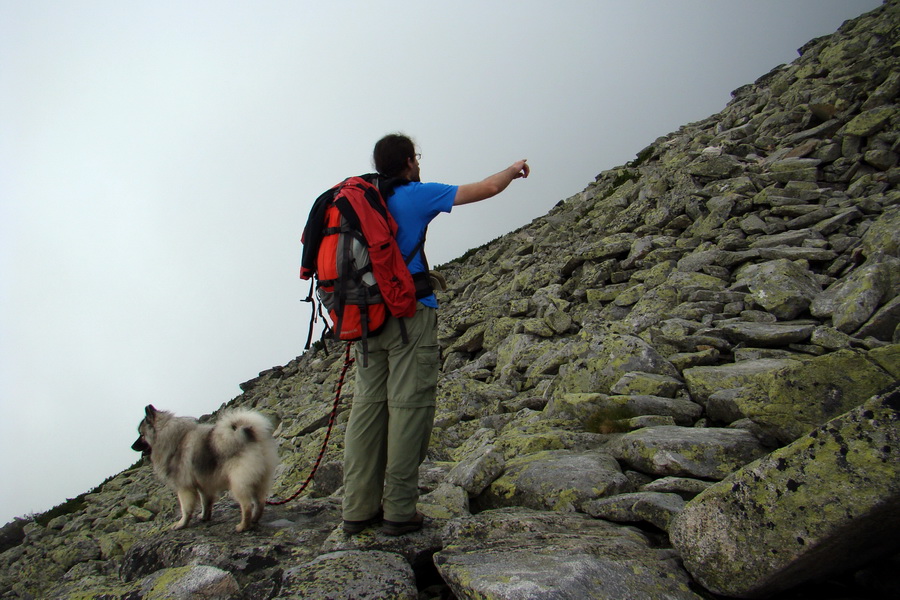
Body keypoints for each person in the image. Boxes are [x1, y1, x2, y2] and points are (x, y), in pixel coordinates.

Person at [341, 133, 530, 536]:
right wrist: (513, 170)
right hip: (408, 314)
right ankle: (399, 510)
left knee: (368, 408)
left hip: (364, 316)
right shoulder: (415, 195)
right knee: (409, 407)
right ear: (409, 161)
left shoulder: (360, 198)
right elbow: (488, 188)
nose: (419, 163)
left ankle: (356, 509)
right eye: (417, 157)